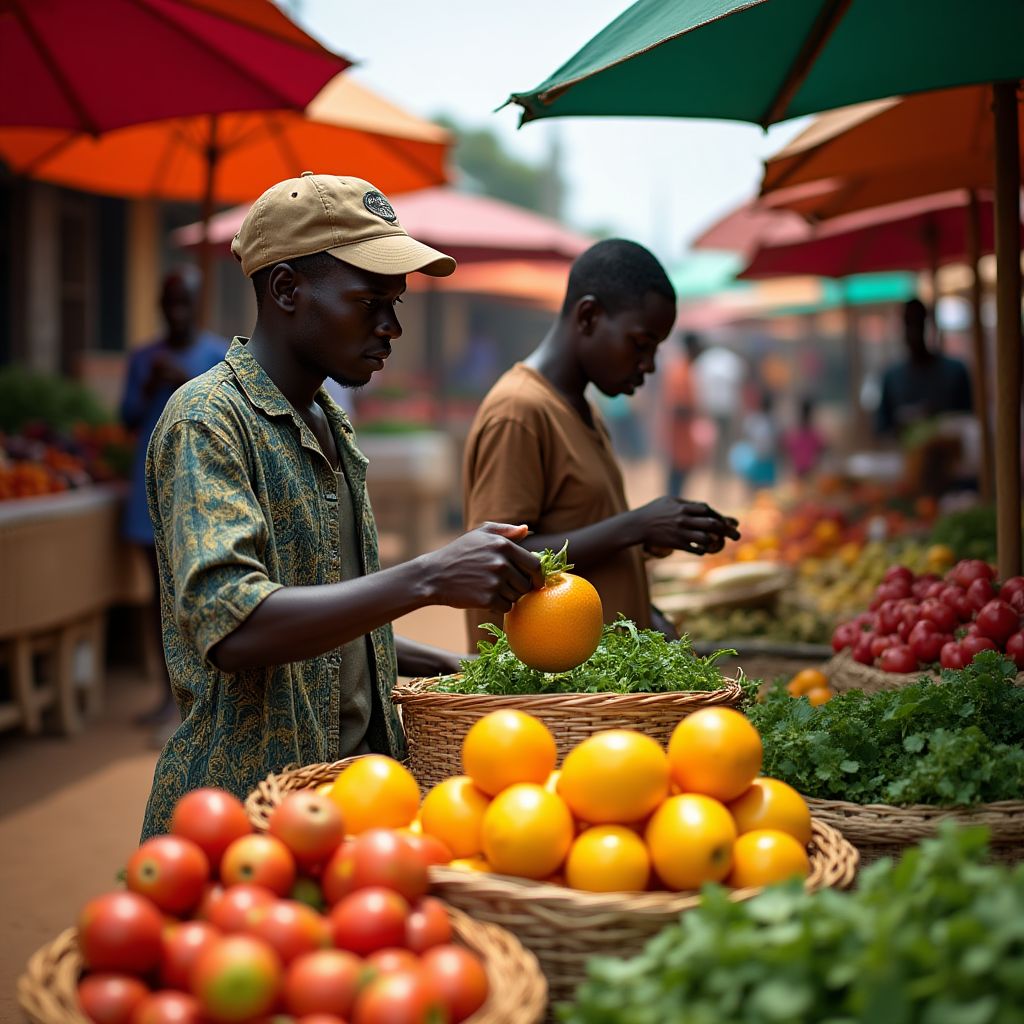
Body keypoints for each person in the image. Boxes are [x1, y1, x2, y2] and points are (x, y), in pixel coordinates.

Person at [139, 173, 543, 840]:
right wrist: (430, 576)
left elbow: (330, 626)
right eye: (369, 301)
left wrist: (454, 670)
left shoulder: (330, 421)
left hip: (355, 802)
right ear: (287, 290)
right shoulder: (207, 421)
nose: (392, 327)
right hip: (248, 822)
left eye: (396, 302)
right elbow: (235, 630)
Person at [461, 239, 740, 650]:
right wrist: (636, 525)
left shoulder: (583, 410)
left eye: (656, 349)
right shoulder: (519, 411)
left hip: (597, 677)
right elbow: (497, 559)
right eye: (640, 344)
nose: (649, 365)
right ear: (589, 316)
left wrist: (647, 551)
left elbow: (578, 538)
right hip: (544, 684)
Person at [119, 267, 227, 729]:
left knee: (199, 595)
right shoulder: (144, 358)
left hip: (199, 491)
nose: (177, 312)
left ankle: (205, 696)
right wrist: (148, 386)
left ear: (198, 305)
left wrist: (184, 379)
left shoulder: (218, 355)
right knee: (159, 598)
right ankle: (167, 694)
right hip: (150, 494)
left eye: (185, 303)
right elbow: (126, 419)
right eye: (170, 303)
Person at [876, 298, 972, 436]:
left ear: (929, 326)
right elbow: (881, 429)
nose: (914, 331)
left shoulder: (956, 371)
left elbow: (970, 421)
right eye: (909, 323)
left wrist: (938, 419)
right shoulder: (891, 378)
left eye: (919, 323)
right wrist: (904, 421)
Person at [689, 336, 746, 476]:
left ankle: (716, 470)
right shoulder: (731, 360)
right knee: (723, 442)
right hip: (725, 409)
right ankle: (721, 470)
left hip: (713, 408)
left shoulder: (705, 360)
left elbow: (698, 386)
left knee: (714, 443)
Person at [662, 331, 701, 496]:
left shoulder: (686, 369)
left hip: (682, 435)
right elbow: (678, 406)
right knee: (676, 477)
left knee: (679, 475)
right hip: (678, 435)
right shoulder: (680, 372)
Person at [784, 397, 827, 480]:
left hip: (803, 468)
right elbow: (822, 448)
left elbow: (788, 448)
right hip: (807, 468)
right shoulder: (812, 432)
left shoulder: (797, 432)